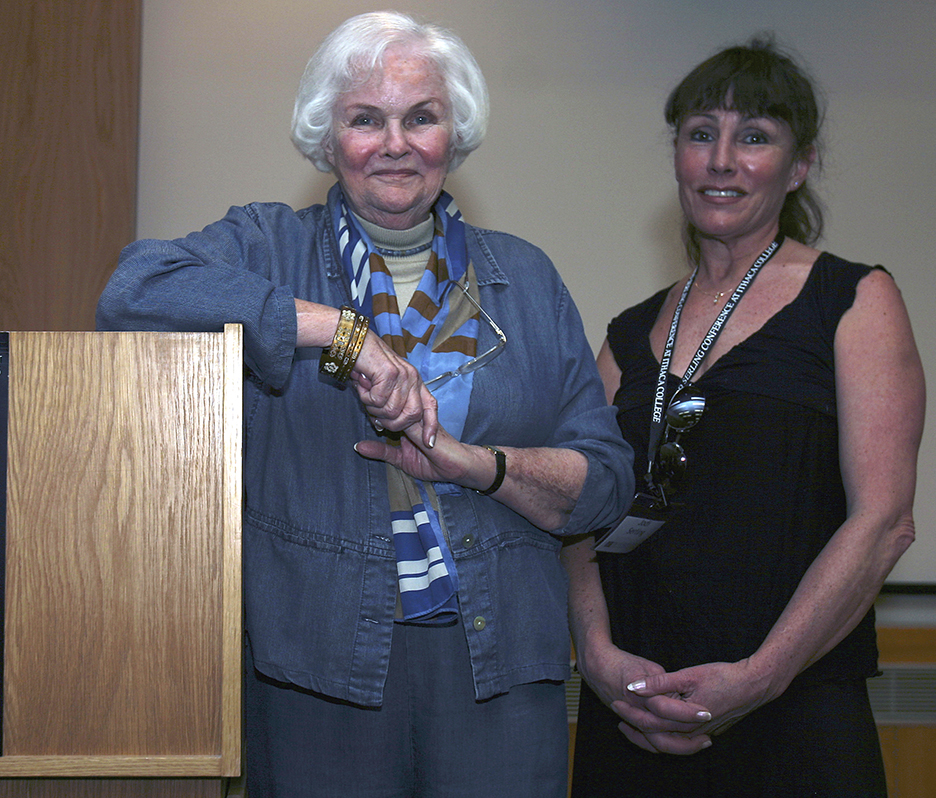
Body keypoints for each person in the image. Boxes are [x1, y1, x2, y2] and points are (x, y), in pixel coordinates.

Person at [96, 11, 633, 797]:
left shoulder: (527, 277)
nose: (395, 143)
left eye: (421, 117)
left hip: (502, 665)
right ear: (327, 136)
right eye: (365, 119)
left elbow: (606, 482)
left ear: (455, 132)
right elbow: (131, 291)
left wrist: (475, 465)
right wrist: (340, 333)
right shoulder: (267, 246)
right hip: (316, 664)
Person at [565, 37, 925, 797]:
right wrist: (595, 656)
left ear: (798, 166)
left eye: (754, 136)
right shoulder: (628, 332)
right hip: (633, 713)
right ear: (678, 156)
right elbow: (578, 511)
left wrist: (759, 678)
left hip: (793, 712)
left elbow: (885, 522)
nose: (721, 160)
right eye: (702, 134)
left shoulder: (851, 301)